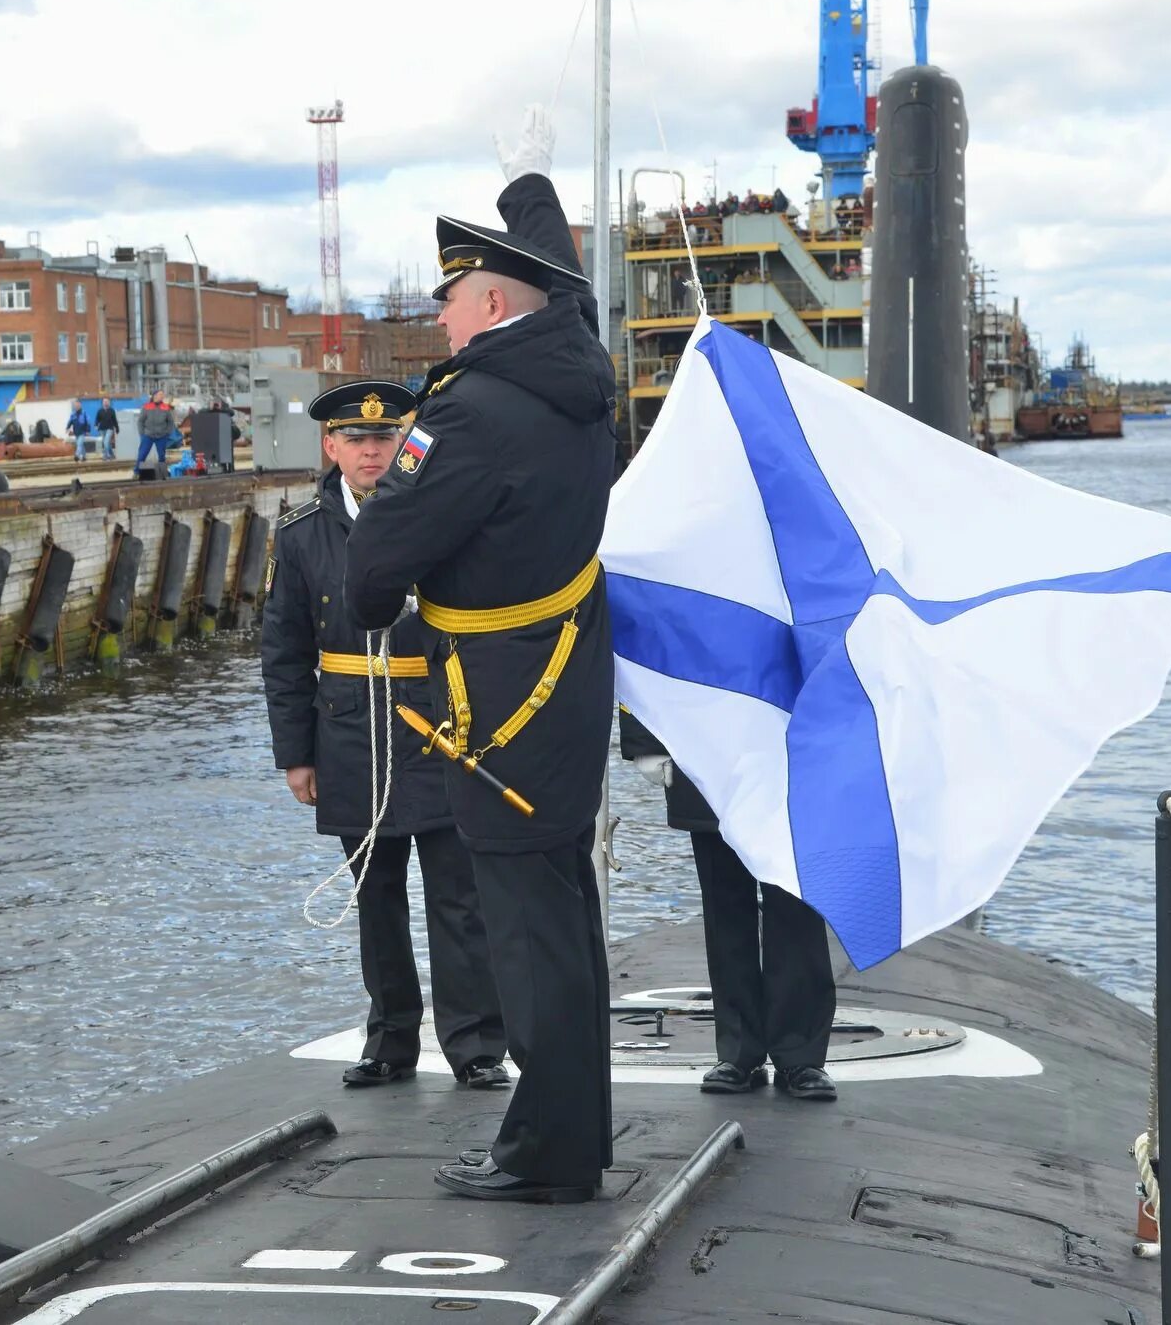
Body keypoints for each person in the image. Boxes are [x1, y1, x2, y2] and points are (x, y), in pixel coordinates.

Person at [345, 106, 618, 1206]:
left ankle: (547, 1159)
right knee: (563, 925)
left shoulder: (470, 415)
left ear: (494, 303)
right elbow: (572, 289)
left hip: (498, 705)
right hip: (561, 687)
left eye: (449, 300)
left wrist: (381, 564)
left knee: (527, 937)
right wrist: (529, 187)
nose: (441, 320)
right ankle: (570, 1136)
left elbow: (372, 570)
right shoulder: (576, 377)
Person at [263, 379, 509, 1092]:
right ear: (331, 446)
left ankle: (474, 1044)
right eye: (357, 439)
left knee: (457, 897)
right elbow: (282, 653)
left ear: (405, 442)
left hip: (436, 726)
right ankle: (391, 1038)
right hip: (347, 731)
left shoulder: (438, 518)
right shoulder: (302, 532)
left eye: (384, 437)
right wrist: (296, 754)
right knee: (376, 897)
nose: (372, 451)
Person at [617, 711, 837, 1099]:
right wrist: (646, 742)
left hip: (793, 743)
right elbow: (649, 651)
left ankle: (800, 1054)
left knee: (795, 905)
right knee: (725, 906)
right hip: (707, 748)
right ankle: (739, 1051)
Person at [135, 393, 177, 472]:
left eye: (162, 395)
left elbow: (170, 422)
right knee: (142, 455)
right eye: (160, 395)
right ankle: (137, 472)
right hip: (148, 435)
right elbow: (140, 421)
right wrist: (142, 433)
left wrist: (167, 433)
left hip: (161, 436)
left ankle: (162, 473)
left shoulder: (165, 407)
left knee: (161, 456)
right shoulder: (146, 407)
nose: (162, 396)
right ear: (154, 396)